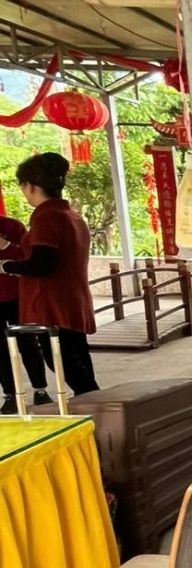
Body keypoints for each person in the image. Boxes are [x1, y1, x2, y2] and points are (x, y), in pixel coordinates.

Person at [0, 153, 97, 397]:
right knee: (77, 360)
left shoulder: (47, 217)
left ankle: (101, 411)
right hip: (71, 300)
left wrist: (7, 266)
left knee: (65, 363)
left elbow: (41, 264)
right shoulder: (70, 215)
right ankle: (98, 406)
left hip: (52, 304)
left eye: (23, 187)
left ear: (31, 186)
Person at [0, 209, 49, 414]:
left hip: (18, 297)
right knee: (0, 349)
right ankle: (10, 393)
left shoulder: (13, 227)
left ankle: (40, 389)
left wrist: (6, 246)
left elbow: (30, 260)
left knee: (27, 342)